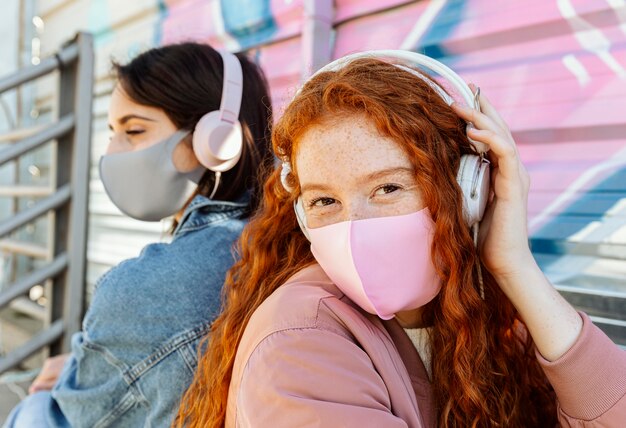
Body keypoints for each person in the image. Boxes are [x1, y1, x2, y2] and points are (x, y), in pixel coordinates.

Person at [175, 51, 626, 427]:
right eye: (324, 201)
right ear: (301, 216)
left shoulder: (481, 311)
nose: (355, 226)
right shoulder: (298, 339)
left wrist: (515, 266)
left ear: (467, 192)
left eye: (388, 188)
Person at [3, 42, 273, 427]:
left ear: (216, 140)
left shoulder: (149, 286)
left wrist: (60, 386)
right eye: (113, 131)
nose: (112, 151)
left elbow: (63, 419)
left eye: (133, 130)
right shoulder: (274, 237)